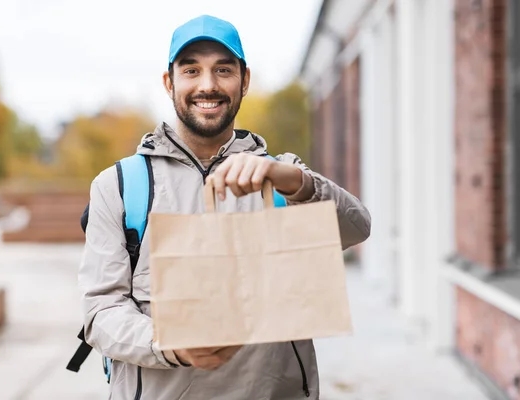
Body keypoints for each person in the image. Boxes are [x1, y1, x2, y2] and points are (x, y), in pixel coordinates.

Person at [78, 14, 371, 400]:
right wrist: (170, 344)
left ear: (244, 80)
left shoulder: (282, 178)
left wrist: (296, 181)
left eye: (223, 69)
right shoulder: (119, 187)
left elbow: (357, 228)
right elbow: (100, 313)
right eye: (191, 70)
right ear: (170, 82)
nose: (208, 85)